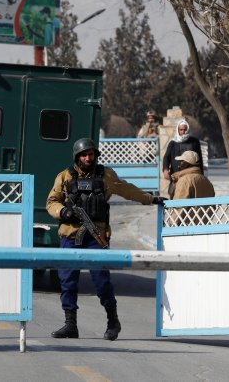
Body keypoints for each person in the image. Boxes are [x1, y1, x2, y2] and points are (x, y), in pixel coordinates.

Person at [46, 138, 164, 341]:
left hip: (95, 236)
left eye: (91, 154)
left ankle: (113, 321)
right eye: (84, 155)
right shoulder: (65, 177)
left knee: (101, 282)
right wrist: (63, 211)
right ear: (77, 157)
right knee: (67, 282)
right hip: (70, 235)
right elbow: (51, 202)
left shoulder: (105, 175)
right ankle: (70, 324)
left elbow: (127, 190)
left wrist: (151, 199)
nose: (88, 158)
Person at [162, 119, 203, 198]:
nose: (183, 132)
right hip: (177, 174)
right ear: (178, 130)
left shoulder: (194, 142)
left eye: (185, 130)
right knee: (175, 194)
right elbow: (166, 157)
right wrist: (165, 169)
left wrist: (201, 173)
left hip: (192, 174)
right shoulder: (173, 143)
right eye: (181, 130)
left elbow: (199, 159)